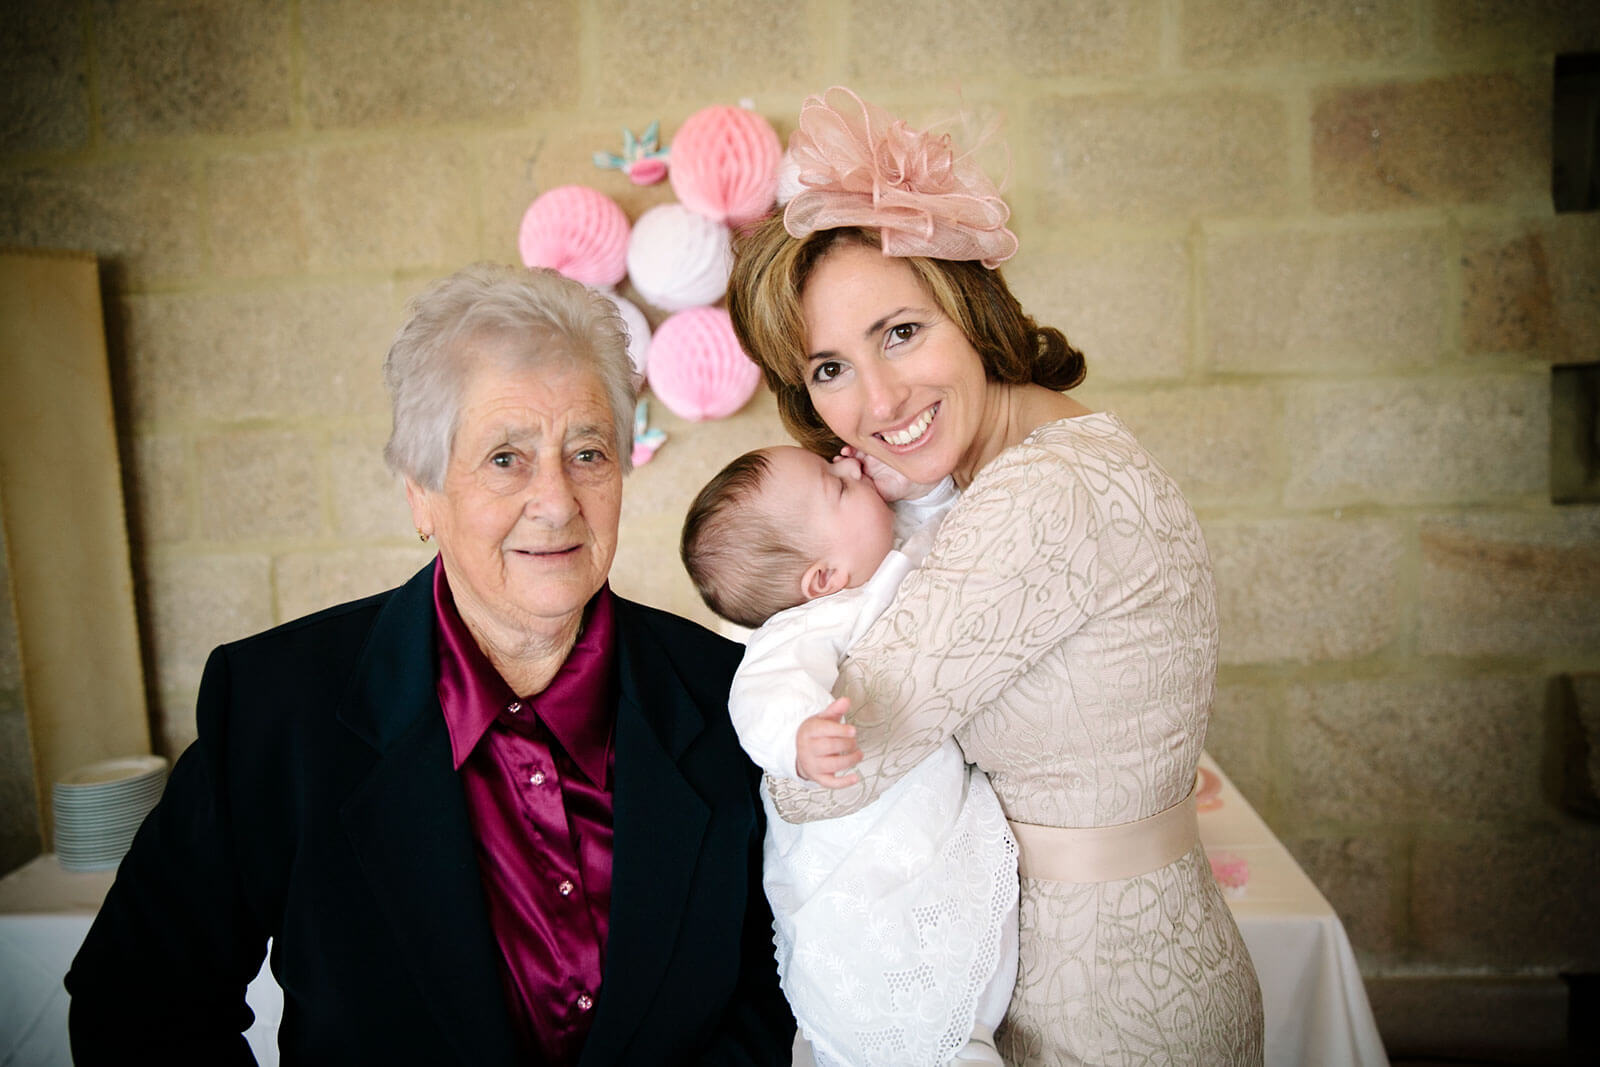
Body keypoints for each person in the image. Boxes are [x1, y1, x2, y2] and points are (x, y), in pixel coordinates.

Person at [65, 263, 795, 1065]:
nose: (556, 501)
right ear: (421, 493)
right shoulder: (280, 710)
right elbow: (136, 1001)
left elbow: (768, 985)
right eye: (506, 459)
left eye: (586, 452)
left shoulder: (732, 698)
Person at [725, 87, 1265, 1064]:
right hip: (1072, 975)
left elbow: (836, 775)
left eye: (899, 332)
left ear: (967, 308)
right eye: (829, 369)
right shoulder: (1026, 458)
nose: (877, 400)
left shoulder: (1040, 499)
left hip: (1104, 1012)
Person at [681, 444, 1018, 1066]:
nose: (851, 468)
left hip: (939, 853)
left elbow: (950, 517)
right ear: (823, 579)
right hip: (865, 886)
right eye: (837, 486)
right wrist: (799, 738)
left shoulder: (884, 558)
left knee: (959, 1008)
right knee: (906, 1021)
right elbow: (760, 695)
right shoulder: (800, 629)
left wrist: (897, 476)